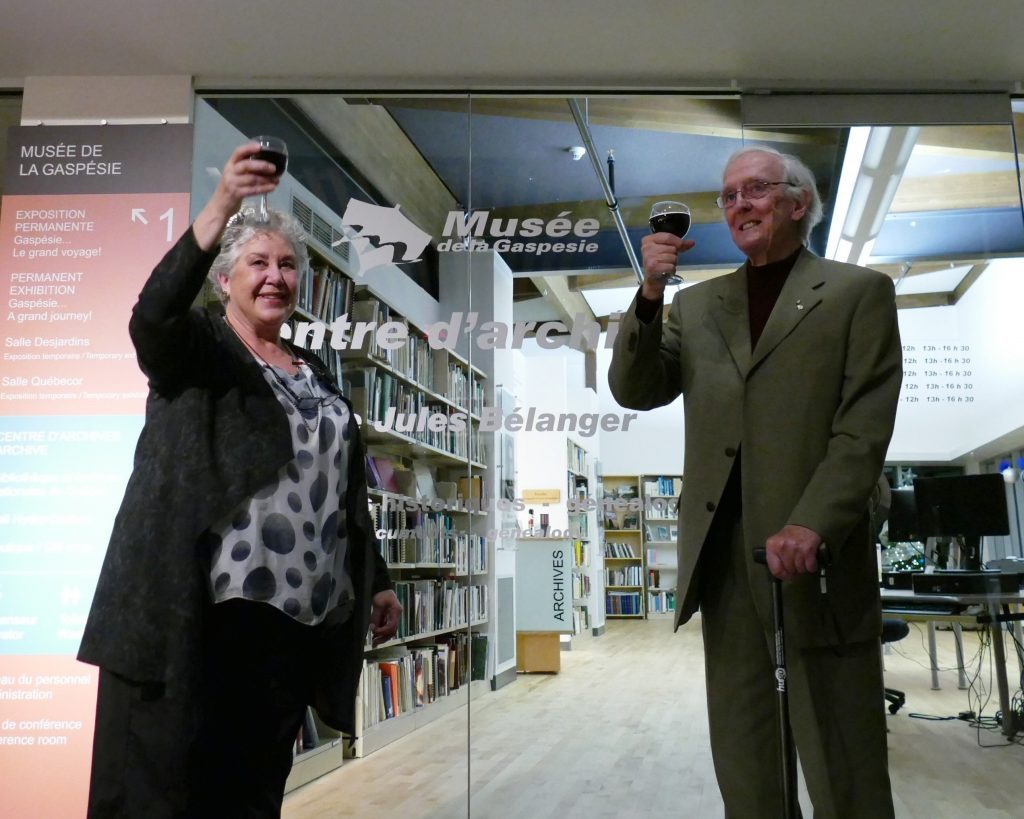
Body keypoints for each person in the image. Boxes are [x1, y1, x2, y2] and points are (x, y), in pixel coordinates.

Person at [78, 143, 402, 818]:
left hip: (289, 628)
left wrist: (378, 578)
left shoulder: (315, 372)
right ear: (224, 279)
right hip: (198, 620)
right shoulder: (199, 350)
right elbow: (152, 317)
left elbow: (342, 490)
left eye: (287, 265)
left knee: (251, 796)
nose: (275, 277)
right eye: (258, 262)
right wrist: (224, 203)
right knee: (168, 793)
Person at [609, 146, 903, 818]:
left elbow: (862, 431)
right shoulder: (696, 306)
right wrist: (650, 295)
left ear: (799, 202)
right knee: (747, 769)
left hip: (817, 562)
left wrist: (814, 521)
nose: (739, 204)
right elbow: (635, 388)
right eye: (729, 195)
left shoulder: (857, 294)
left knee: (844, 765)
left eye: (756, 189)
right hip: (724, 565)